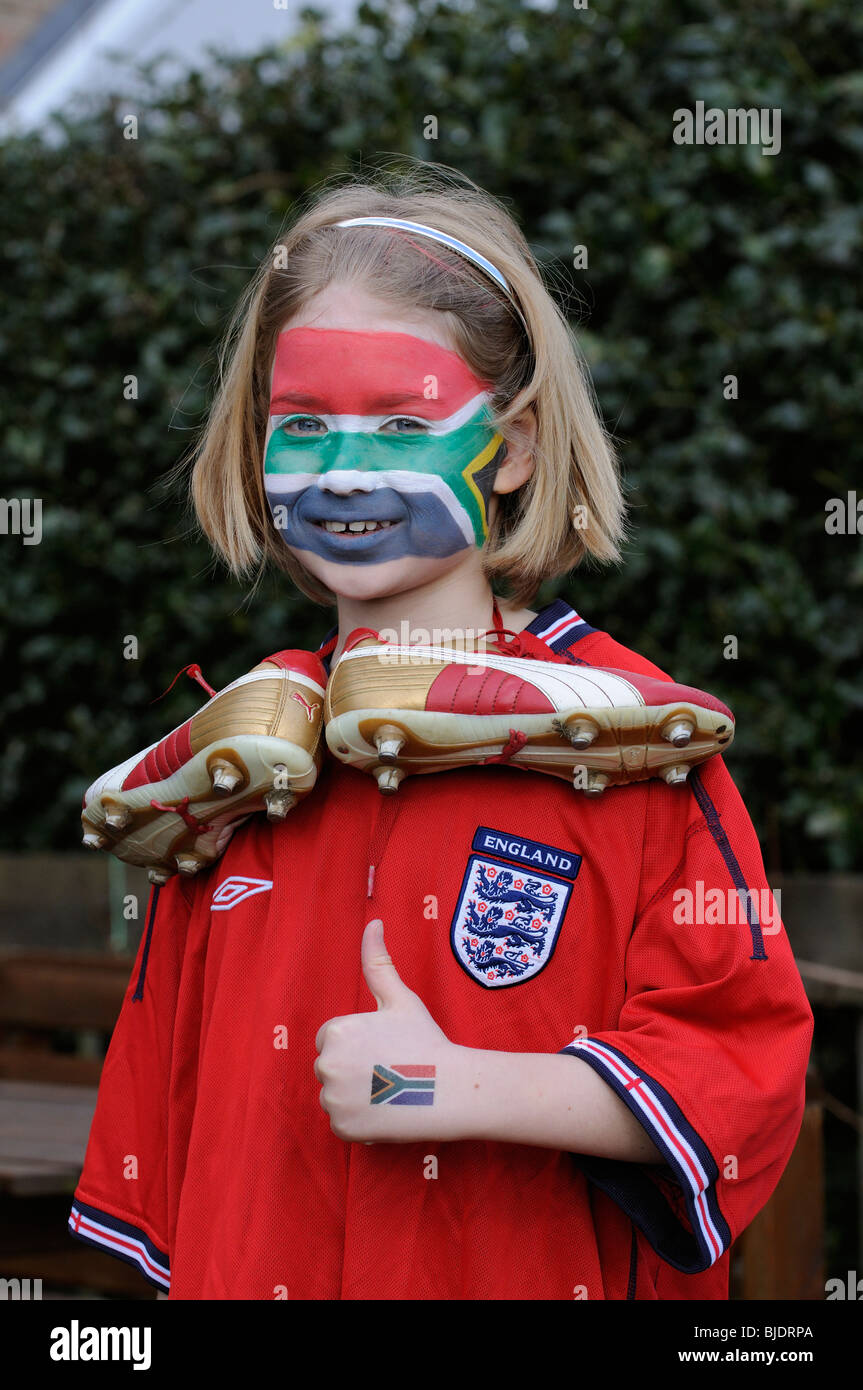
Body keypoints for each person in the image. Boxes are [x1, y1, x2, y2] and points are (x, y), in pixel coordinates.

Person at [69, 163, 813, 1300]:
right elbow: (171, 1162)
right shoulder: (229, 777)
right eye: (304, 424)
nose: (344, 468)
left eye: (401, 421)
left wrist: (447, 1086)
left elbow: (742, 1072)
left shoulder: (639, 749)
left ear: (511, 449)